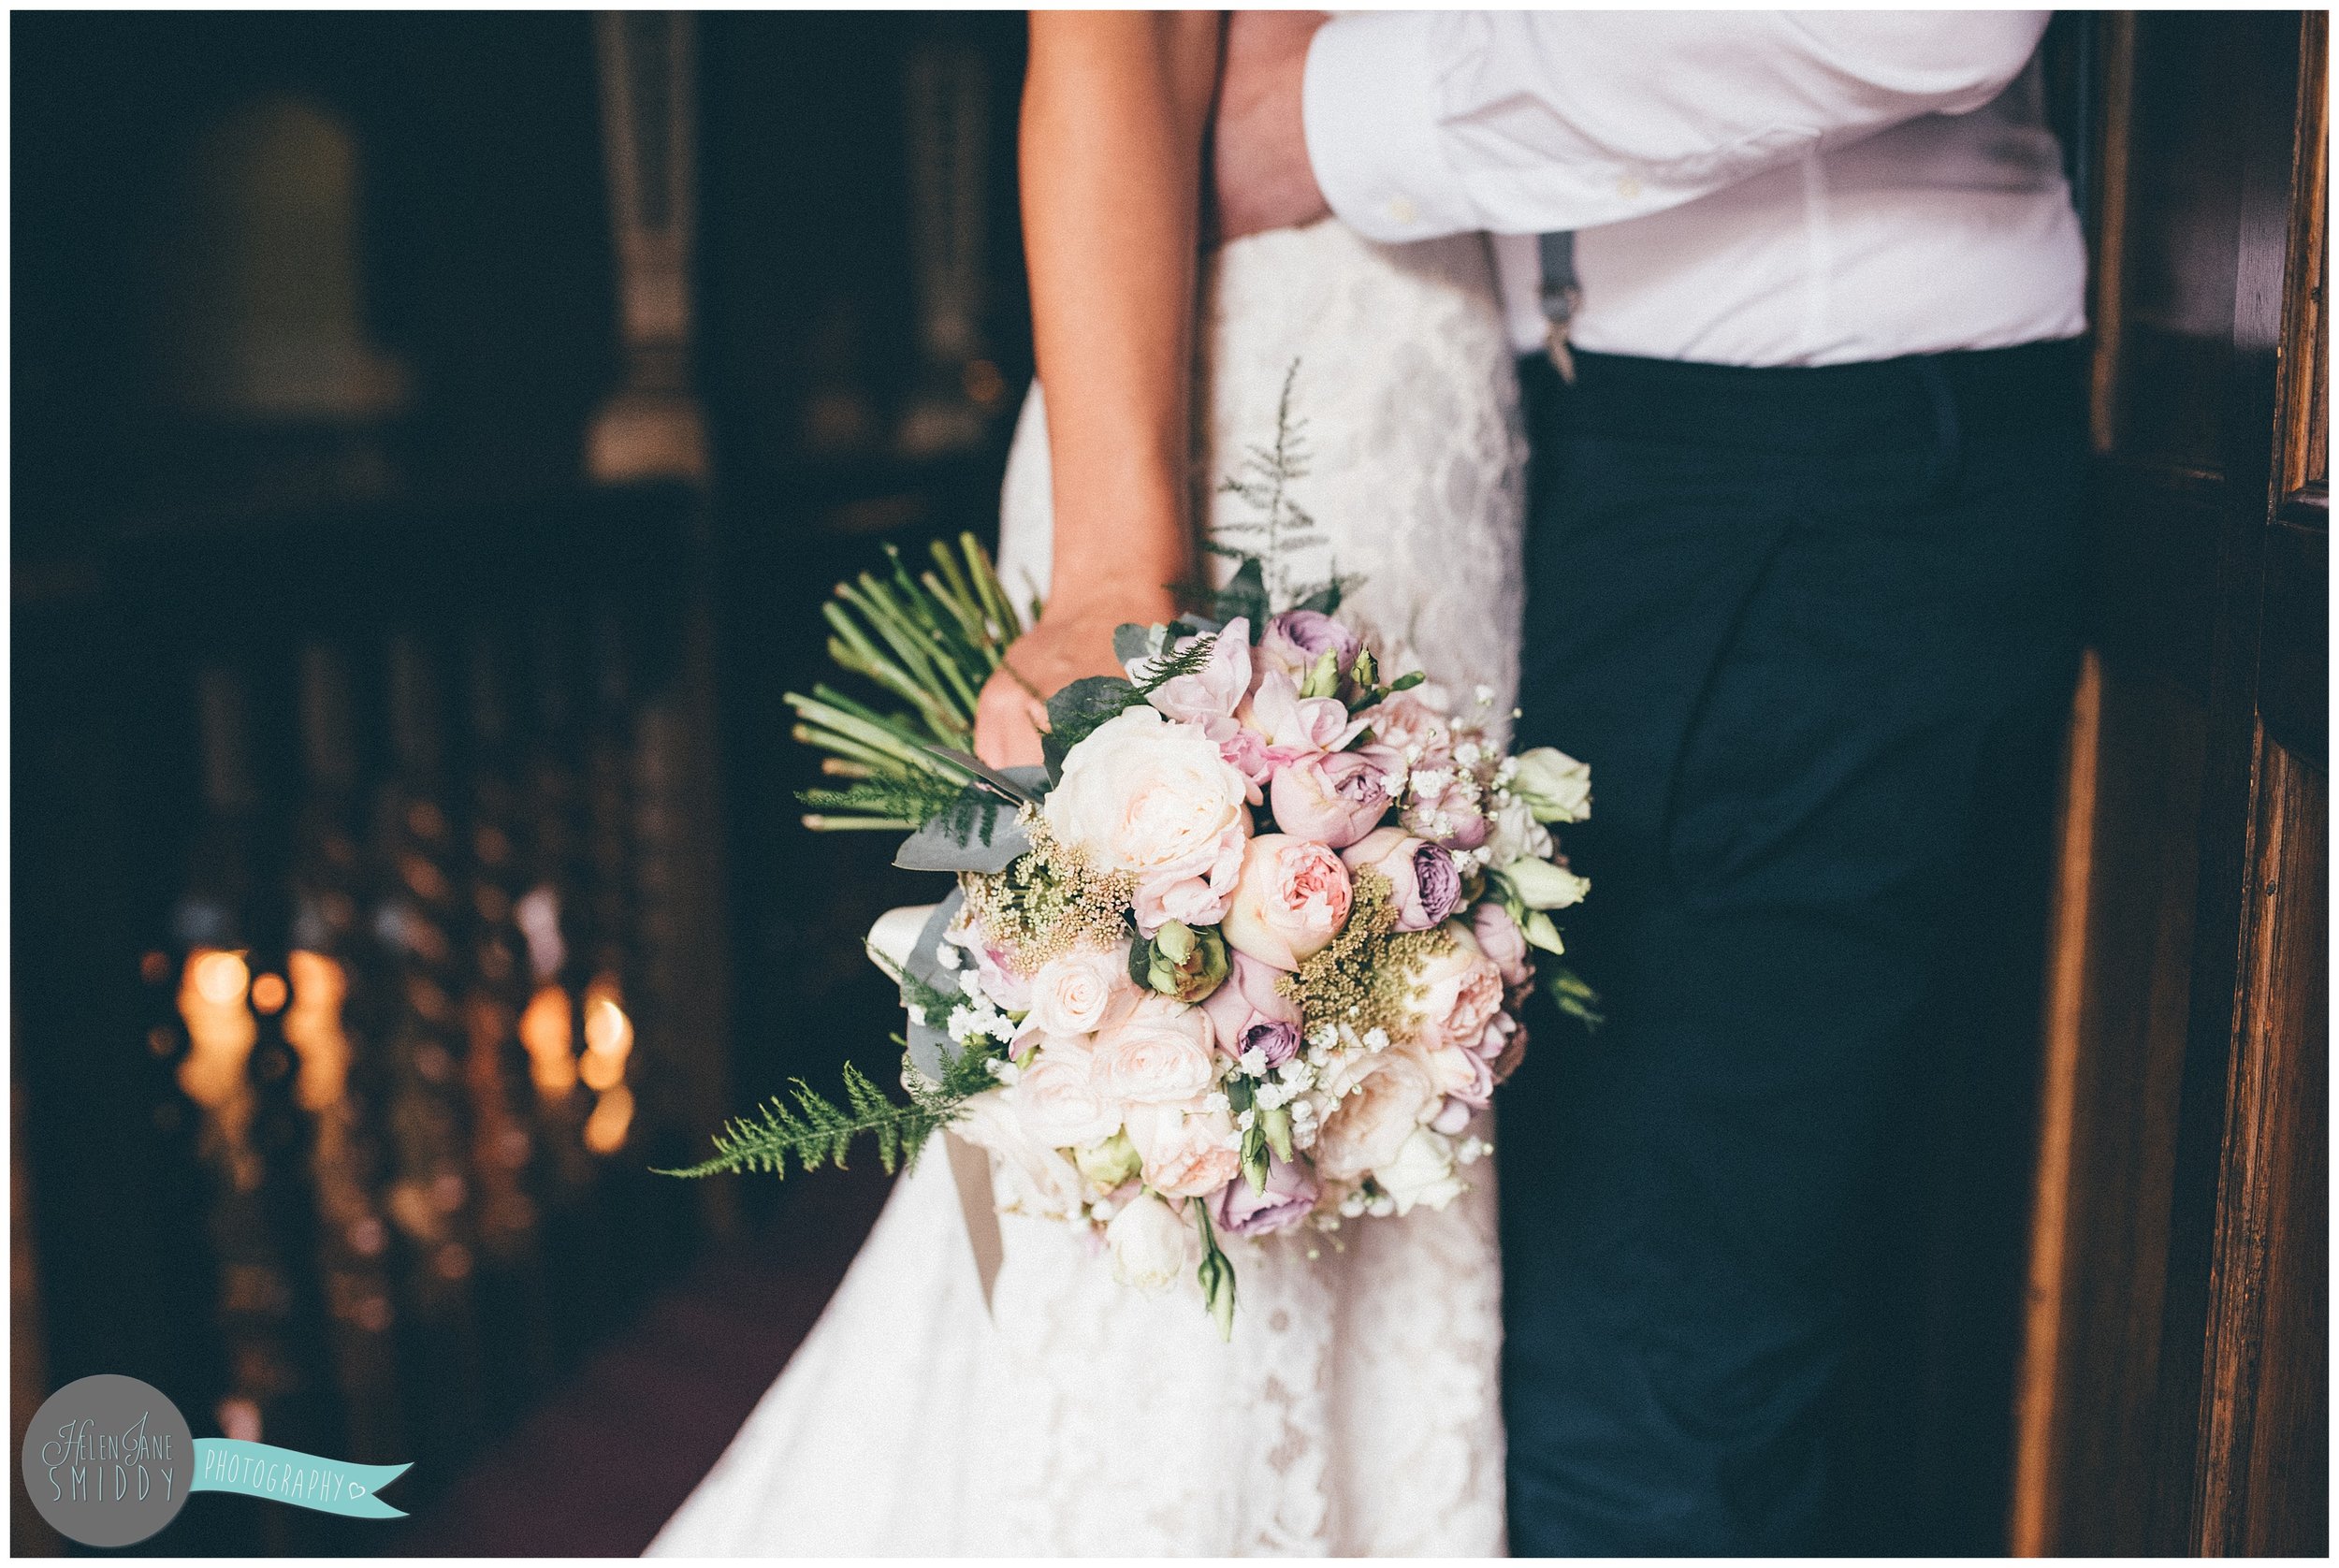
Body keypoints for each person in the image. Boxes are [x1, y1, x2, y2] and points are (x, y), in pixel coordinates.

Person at [1208, 9, 2088, 1554]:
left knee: (1642, 1393)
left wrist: (1327, 124)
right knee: (1607, 1351)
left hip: (1794, 463)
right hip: (1591, 448)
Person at [651, 13, 1525, 1552]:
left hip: (1450, 396)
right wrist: (1122, 578)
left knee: (1384, 1141)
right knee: (1173, 1170)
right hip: (1244, 406)